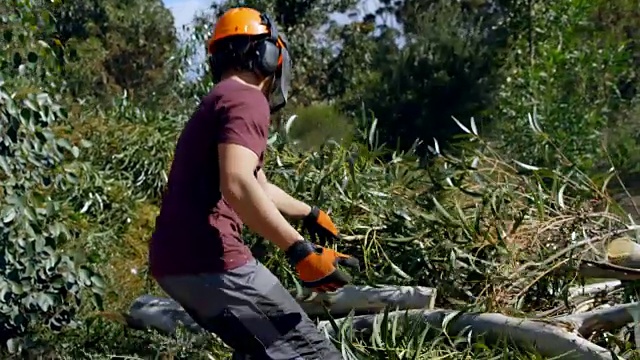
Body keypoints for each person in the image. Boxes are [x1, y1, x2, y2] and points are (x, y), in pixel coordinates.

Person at [147, 7, 359, 360]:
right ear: (268, 55)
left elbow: (255, 181)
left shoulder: (221, 98)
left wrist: (310, 212)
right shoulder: (247, 98)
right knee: (311, 353)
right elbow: (238, 183)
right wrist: (301, 252)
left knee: (259, 350)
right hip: (213, 262)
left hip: (178, 264)